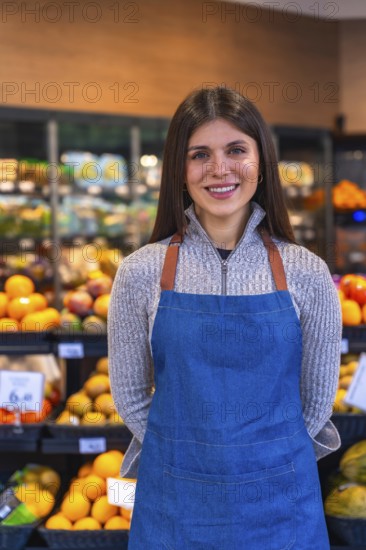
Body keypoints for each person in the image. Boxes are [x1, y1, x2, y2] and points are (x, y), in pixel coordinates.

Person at [108, 86, 342, 549]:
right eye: (199, 154)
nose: (219, 169)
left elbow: (316, 403)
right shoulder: (139, 273)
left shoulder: (308, 273)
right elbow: (130, 395)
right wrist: (190, 456)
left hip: (281, 507)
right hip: (176, 503)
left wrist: (263, 458)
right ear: (179, 167)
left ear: (261, 162)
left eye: (236, 150)